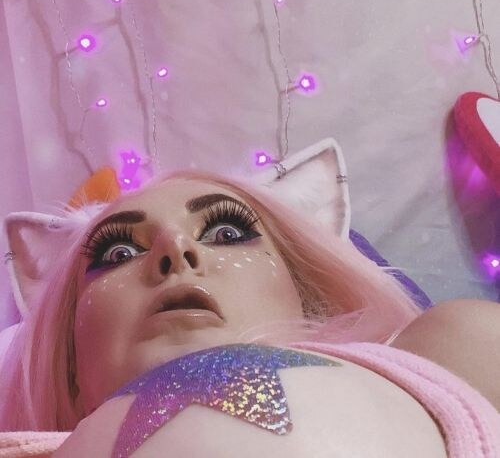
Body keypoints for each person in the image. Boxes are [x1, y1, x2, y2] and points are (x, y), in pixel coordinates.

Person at [1, 155, 499, 456]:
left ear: (306, 295)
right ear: (69, 359)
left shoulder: (450, 348)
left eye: (225, 232)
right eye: (119, 253)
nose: (175, 248)